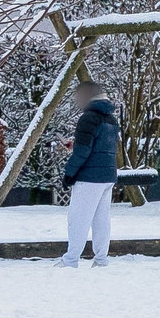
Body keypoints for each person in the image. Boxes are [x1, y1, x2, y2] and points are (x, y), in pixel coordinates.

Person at [59, 82, 121, 267]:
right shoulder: (110, 118)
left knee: (78, 218)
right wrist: (76, 145)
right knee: (101, 219)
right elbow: (101, 146)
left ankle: (70, 260)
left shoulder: (88, 118)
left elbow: (84, 151)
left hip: (89, 177)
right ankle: (101, 259)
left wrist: (69, 173)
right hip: (107, 175)